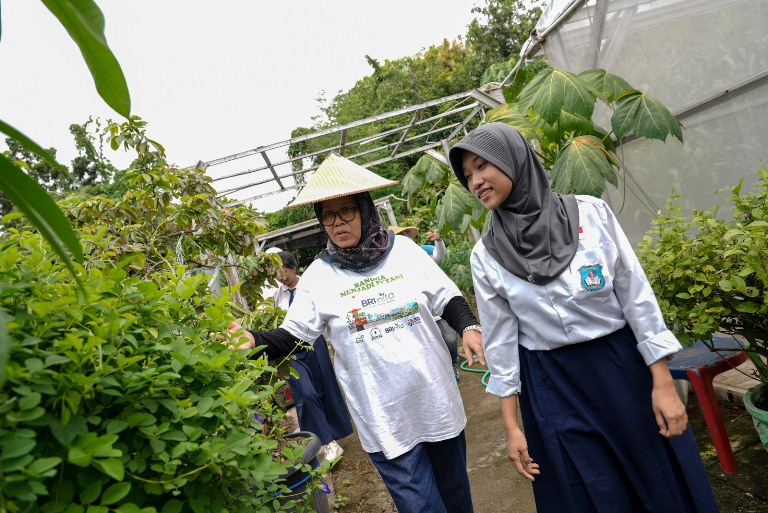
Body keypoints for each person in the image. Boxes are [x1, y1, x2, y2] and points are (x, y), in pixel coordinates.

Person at [448, 123, 720, 513]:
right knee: (591, 491)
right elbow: (501, 341)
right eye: (467, 175)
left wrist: (662, 382)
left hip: (621, 368)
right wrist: (512, 427)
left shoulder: (590, 214)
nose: (475, 181)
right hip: (553, 385)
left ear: (513, 160)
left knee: (657, 478)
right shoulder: (486, 255)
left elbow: (636, 297)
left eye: (481, 166)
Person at [225, 152, 481, 513]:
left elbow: (447, 297)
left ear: (364, 209)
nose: (337, 222)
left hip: (435, 400)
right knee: (420, 506)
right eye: (328, 215)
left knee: (455, 497)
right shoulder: (319, 275)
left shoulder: (404, 252)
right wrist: (256, 339)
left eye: (346, 211)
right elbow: (296, 335)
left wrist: (468, 326)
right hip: (384, 417)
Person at [266, 249, 353, 462]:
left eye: (283, 271)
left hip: (315, 344)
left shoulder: (310, 287)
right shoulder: (277, 296)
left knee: (325, 388)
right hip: (291, 350)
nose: (279, 277)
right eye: (276, 273)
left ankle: (332, 436)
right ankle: (325, 441)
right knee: (305, 393)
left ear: (293, 268)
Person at [388, 225, 461, 381]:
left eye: (404, 236)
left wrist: (439, 241)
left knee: (450, 338)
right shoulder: (392, 263)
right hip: (415, 310)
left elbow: (439, 255)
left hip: (436, 306)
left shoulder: (421, 251)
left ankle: (453, 363)